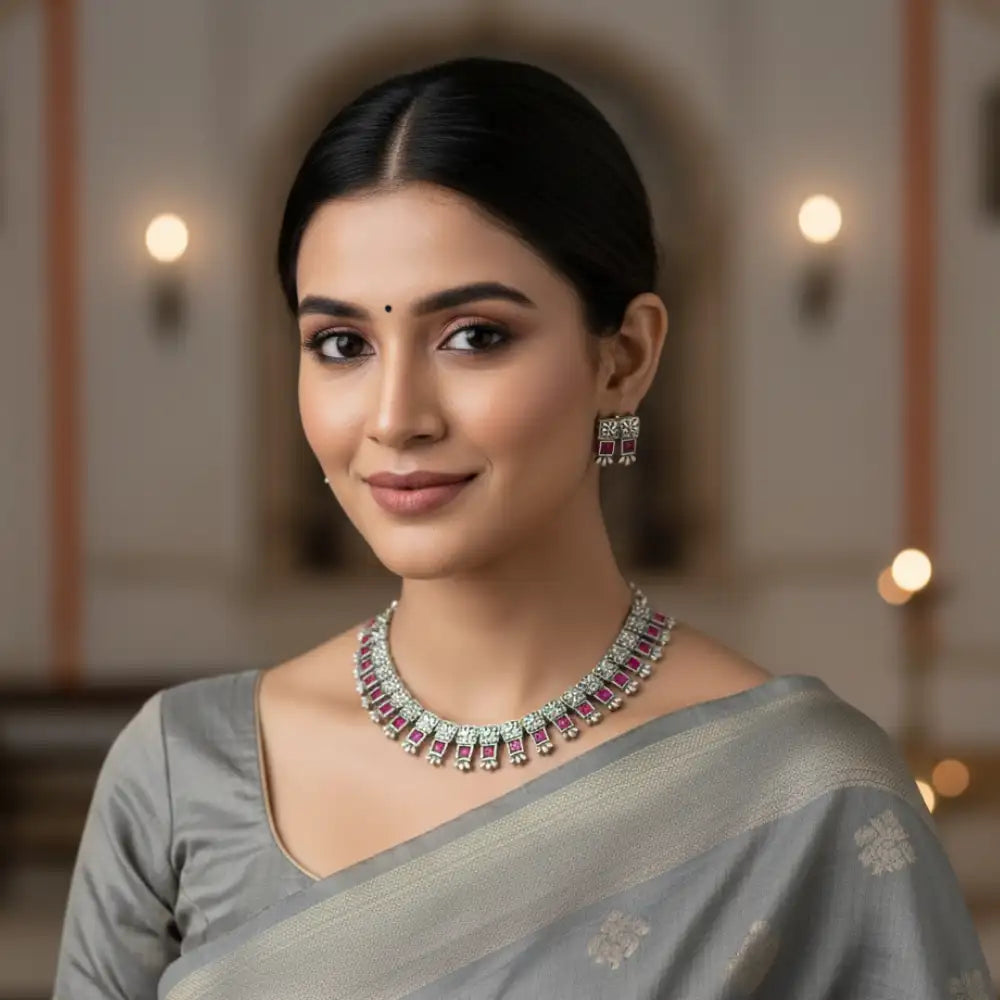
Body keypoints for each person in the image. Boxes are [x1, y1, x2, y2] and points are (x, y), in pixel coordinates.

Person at [53, 56, 992, 999]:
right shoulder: (181, 773)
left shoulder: (807, 796)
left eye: (473, 336)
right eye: (341, 345)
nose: (394, 416)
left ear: (624, 359)